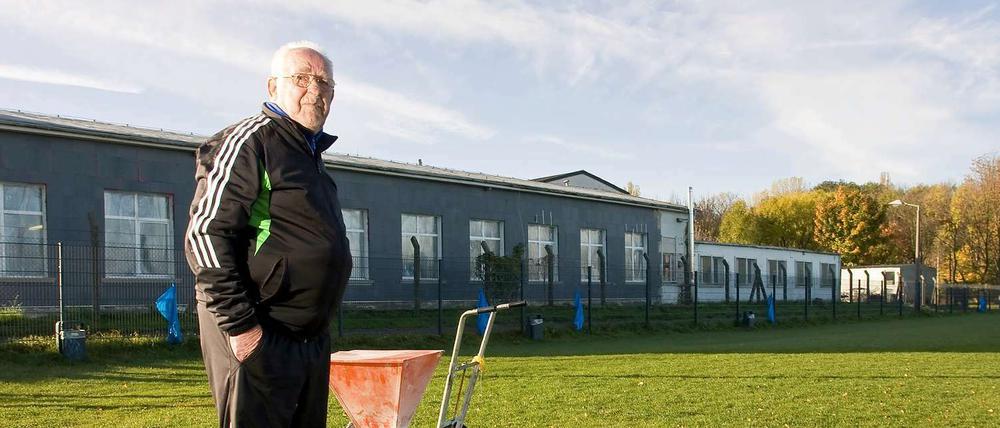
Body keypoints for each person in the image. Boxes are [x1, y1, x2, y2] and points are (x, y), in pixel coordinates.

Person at [184, 40, 352, 427]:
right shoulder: (250, 142)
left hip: (309, 340)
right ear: (273, 86)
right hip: (259, 333)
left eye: (325, 84)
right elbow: (206, 234)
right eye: (302, 78)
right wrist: (243, 328)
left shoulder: (312, 161)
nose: (315, 90)